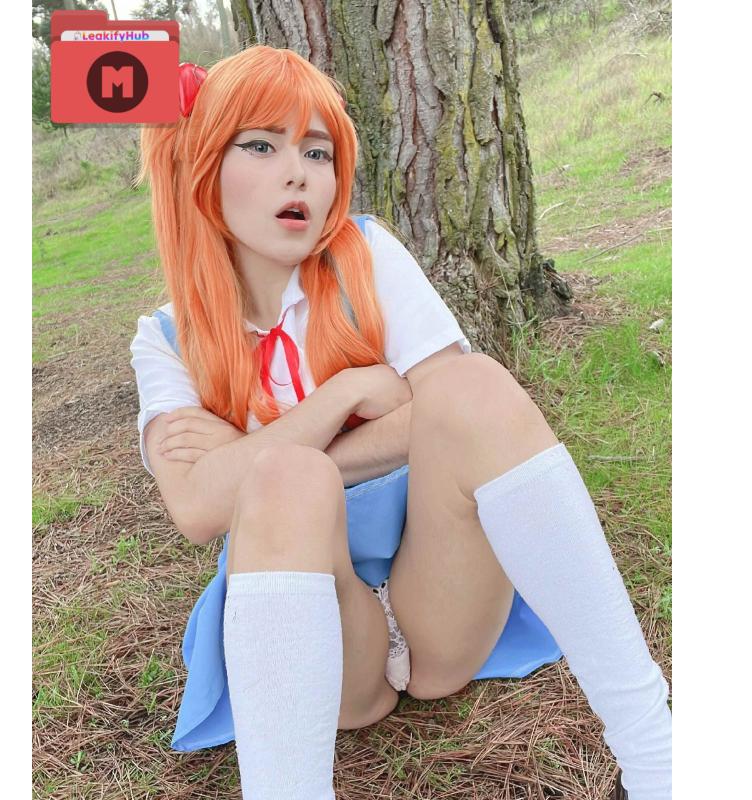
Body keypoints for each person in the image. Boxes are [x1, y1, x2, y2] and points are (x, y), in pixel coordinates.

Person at [130, 46, 670, 800]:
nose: (298, 174)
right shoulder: (165, 339)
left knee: (472, 385)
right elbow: (194, 508)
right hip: (323, 632)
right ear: (200, 163)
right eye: (261, 146)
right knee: (287, 478)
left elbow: (459, 415)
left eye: (316, 151)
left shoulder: (366, 254)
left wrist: (247, 455)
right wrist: (343, 398)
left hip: (439, 591)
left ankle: (661, 759)